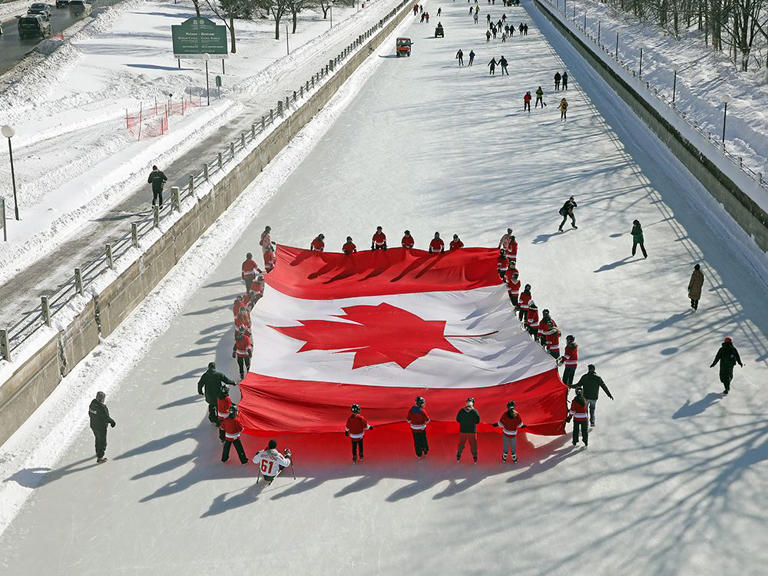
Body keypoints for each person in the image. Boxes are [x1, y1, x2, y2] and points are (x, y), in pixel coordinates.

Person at [88, 391, 116, 463]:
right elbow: (106, 417)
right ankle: (100, 457)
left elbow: (89, 413)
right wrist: (112, 422)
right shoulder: (102, 407)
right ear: (102, 399)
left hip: (93, 425)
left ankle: (98, 452)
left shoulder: (92, 403)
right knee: (102, 442)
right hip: (101, 427)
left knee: (97, 439)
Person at [456, 397, 481, 463]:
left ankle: (458, 455)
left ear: (466, 403)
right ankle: (475, 457)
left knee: (461, 443)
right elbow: (477, 421)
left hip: (463, 431)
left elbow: (457, 420)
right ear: (473, 403)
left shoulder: (461, 411)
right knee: (473, 444)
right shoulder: (475, 411)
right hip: (472, 431)